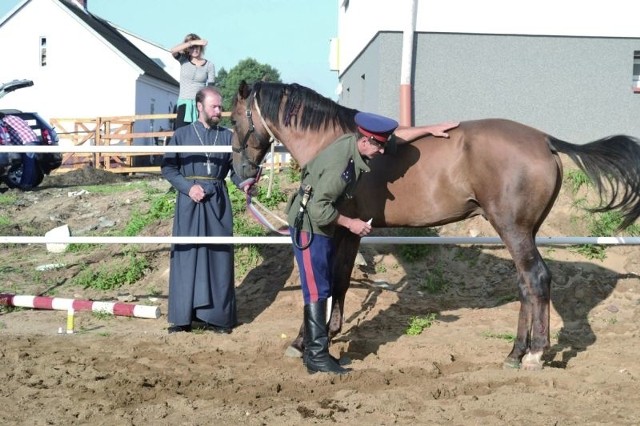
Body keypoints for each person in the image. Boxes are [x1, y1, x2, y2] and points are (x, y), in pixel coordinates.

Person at [285, 112, 458, 374]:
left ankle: (314, 352)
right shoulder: (339, 166)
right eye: (377, 145)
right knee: (317, 289)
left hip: (320, 226)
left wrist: (430, 127)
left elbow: (394, 140)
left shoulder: (356, 145)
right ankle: (316, 356)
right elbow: (319, 208)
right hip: (310, 228)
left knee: (321, 287)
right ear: (364, 141)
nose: (380, 151)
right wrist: (351, 224)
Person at [161, 86, 248, 334]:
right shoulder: (181, 134)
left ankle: (217, 318)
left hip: (218, 201)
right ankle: (183, 318)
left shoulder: (227, 136)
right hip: (190, 201)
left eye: (220, 107)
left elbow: (235, 172)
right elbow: (168, 169)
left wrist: (245, 184)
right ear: (200, 106)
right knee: (188, 255)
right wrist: (188, 188)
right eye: (214, 107)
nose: (219, 111)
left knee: (218, 256)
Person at [170, 33, 216, 129]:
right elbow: (173, 50)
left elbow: (211, 88)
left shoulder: (209, 65)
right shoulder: (183, 60)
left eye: (197, 47)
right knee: (181, 133)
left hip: (200, 105)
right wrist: (193, 42)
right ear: (188, 48)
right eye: (192, 47)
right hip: (184, 104)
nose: (195, 49)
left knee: (201, 132)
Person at [0, 112, 39, 189]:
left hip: (26, 141)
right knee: (30, 163)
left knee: (28, 163)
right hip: (32, 139)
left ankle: (24, 184)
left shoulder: (5, 121)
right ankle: (30, 184)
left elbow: (4, 133)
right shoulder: (14, 117)